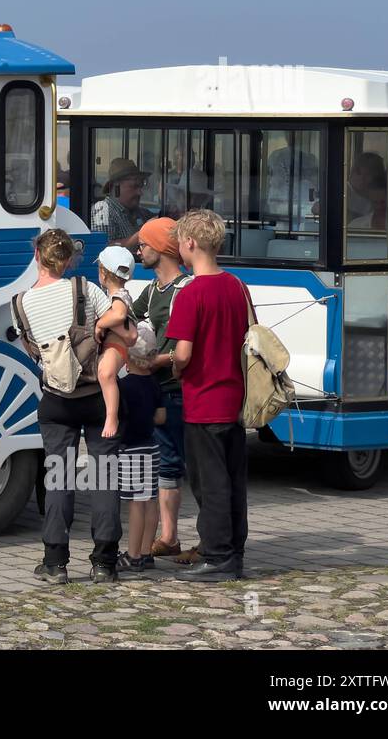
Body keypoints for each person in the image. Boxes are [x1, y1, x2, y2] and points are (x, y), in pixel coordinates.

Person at [15, 228, 122, 583]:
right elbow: (119, 321)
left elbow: (33, 350)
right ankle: (104, 562)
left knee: (59, 477)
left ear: (37, 257)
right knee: (104, 475)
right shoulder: (86, 290)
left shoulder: (22, 303)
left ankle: (55, 562)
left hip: (57, 399)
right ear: (70, 260)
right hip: (97, 396)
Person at [167, 209, 253, 582]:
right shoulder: (237, 285)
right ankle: (234, 549)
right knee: (234, 479)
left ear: (189, 243)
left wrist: (171, 367)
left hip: (203, 401)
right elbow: (252, 334)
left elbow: (183, 354)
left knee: (210, 483)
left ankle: (217, 556)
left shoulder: (190, 294)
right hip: (236, 397)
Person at [130, 217, 193, 558]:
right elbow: (130, 317)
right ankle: (167, 536)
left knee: (177, 463)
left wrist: (152, 361)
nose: (138, 250)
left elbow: (180, 348)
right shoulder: (153, 289)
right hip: (156, 389)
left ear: (161, 248)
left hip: (173, 388)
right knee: (163, 464)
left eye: (143, 244)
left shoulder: (183, 290)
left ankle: (177, 537)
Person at [117, 323, 164, 573]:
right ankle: (146, 552)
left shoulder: (124, 387)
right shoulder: (155, 385)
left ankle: (132, 555)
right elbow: (161, 417)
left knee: (135, 503)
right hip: (151, 447)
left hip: (131, 449)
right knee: (151, 499)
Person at [94, 245, 138, 439]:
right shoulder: (119, 294)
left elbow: (119, 315)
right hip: (117, 342)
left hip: (116, 343)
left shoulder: (118, 296)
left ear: (103, 273)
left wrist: (100, 324)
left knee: (106, 374)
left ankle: (112, 417)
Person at [90, 157, 152, 248]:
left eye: (140, 187)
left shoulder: (139, 212)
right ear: (116, 187)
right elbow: (103, 249)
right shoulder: (103, 211)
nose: (140, 192)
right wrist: (141, 235)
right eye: (134, 186)